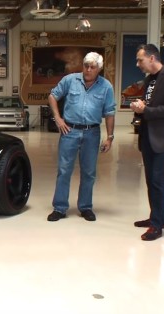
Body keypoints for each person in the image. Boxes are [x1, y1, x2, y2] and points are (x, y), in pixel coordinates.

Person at [47, 52, 116, 222]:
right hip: (69, 132)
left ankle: (85, 207)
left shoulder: (106, 87)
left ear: (99, 69)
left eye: (93, 67)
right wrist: (58, 118)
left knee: (89, 172)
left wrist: (110, 137)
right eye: (86, 65)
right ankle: (60, 208)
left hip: (92, 133)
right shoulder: (70, 80)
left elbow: (109, 112)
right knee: (64, 170)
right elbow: (52, 96)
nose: (88, 70)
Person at [130, 44, 164, 241]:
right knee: (150, 181)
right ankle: (156, 218)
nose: (138, 64)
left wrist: (145, 110)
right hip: (148, 137)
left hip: (163, 138)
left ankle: (156, 226)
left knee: (159, 181)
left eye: (140, 60)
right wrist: (140, 106)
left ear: (152, 58)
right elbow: (150, 105)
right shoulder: (149, 80)